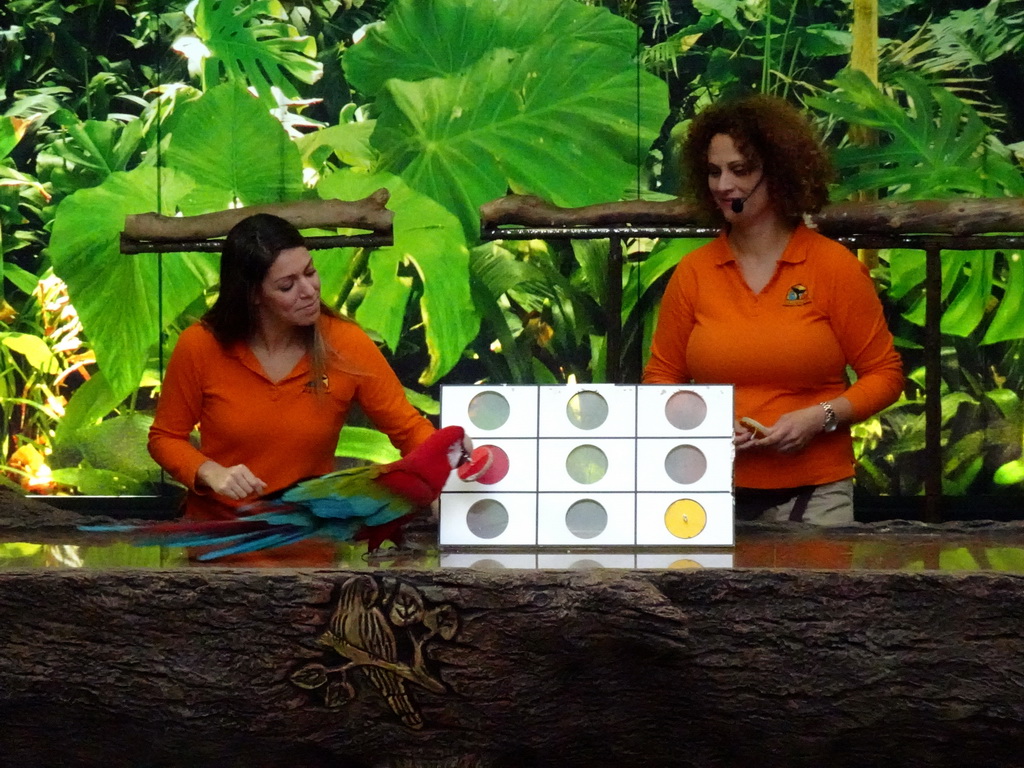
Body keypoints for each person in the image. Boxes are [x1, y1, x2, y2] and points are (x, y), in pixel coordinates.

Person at [643, 94, 904, 524]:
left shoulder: (832, 266)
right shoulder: (694, 271)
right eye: (713, 171)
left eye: (739, 170)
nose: (723, 185)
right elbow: (660, 377)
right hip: (708, 490)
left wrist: (819, 418)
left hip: (816, 493)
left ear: (778, 172)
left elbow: (885, 374)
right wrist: (704, 422)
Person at [148, 213, 436, 563]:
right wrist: (211, 473)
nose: (309, 290)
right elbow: (165, 437)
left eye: (310, 272)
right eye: (287, 285)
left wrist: (448, 474)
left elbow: (408, 428)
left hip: (309, 551)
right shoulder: (200, 346)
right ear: (253, 296)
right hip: (220, 548)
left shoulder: (346, 343)